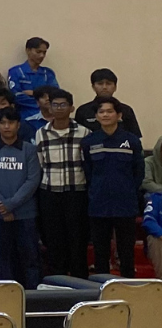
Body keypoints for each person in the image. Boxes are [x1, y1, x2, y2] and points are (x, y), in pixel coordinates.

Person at [0, 107, 41, 288]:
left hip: (25, 213)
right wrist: (2, 206)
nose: (7, 126)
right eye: (2, 123)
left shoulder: (29, 149)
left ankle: (33, 294)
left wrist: (10, 205)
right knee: (3, 256)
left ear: (18, 125)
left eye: (11, 122)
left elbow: (32, 180)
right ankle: (6, 292)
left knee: (30, 255)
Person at [83, 99, 145, 277]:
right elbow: (88, 171)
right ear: (96, 116)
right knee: (100, 251)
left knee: (126, 251)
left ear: (119, 115)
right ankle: (102, 287)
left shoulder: (131, 141)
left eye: (109, 111)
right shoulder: (89, 142)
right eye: (101, 112)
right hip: (99, 204)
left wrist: (127, 190)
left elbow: (139, 171)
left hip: (125, 204)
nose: (105, 115)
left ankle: (127, 285)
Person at [34, 89, 91, 278]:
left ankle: (80, 281)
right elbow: (40, 164)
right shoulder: (41, 133)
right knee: (54, 239)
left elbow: (87, 164)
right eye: (55, 105)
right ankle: (57, 281)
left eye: (63, 104)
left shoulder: (84, 132)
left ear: (71, 108)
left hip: (77, 193)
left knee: (77, 239)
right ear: (49, 107)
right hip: (50, 193)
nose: (59, 108)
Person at [76, 69, 142, 136]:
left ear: (115, 87)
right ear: (93, 87)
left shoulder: (126, 110)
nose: (104, 87)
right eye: (100, 83)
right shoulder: (83, 111)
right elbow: (77, 136)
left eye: (108, 83)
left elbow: (135, 137)